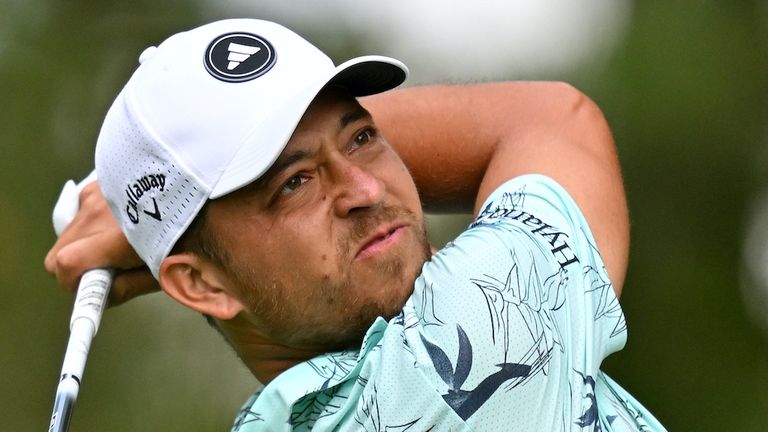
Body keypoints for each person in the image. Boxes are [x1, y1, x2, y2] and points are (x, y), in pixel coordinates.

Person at [45, 18, 666, 431]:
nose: (366, 189)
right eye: (294, 184)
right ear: (201, 286)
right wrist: (144, 230)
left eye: (362, 136)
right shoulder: (451, 359)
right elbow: (551, 120)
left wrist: (174, 229)